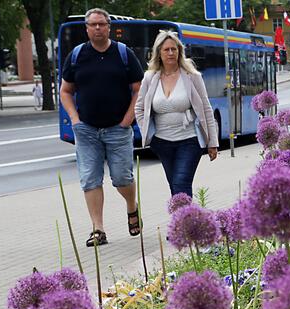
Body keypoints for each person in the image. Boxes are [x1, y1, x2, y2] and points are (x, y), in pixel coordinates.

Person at [60, 8, 143, 247]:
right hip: (86, 129)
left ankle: (131, 206)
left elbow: (139, 88)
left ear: (109, 27)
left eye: (102, 24)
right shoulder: (77, 56)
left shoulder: (123, 53)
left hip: (118, 129)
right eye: (93, 25)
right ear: (86, 28)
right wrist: (75, 119)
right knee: (90, 179)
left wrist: (128, 119)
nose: (97, 28)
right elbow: (66, 91)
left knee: (121, 178)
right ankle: (98, 228)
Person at [135, 30, 219, 198]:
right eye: (166, 50)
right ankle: (182, 220)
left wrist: (212, 142)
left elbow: (206, 109)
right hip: (161, 142)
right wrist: (148, 133)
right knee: (174, 184)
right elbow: (139, 108)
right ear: (158, 52)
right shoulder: (150, 77)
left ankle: (186, 222)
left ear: (180, 51)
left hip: (189, 141)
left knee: (181, 182)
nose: (171, 53)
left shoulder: (192, 76)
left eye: (174, 49)